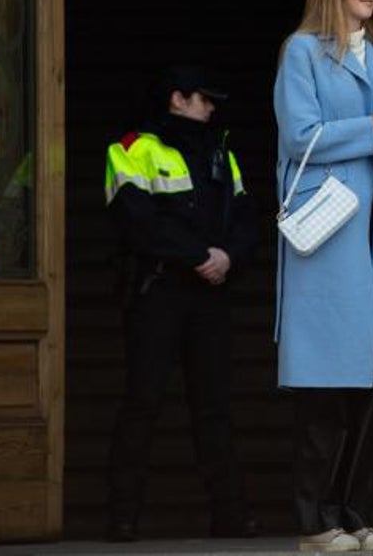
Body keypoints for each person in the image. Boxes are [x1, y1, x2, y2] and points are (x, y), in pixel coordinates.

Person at [273, 0, 373, 553]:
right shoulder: (303, 52)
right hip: (328, 232)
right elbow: (299, 134)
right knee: (324, 378)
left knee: (367, 381)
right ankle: (314, 520)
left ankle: (356, 513)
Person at [103, 64, 259, 542]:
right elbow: (137, 221)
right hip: (159, 291)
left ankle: (230, 516)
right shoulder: (131, 149)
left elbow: (247, 216)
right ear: (177, 99)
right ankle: (122, 517)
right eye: (204, 98)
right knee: (142, 404)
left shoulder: (221, 151)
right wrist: (199, 256)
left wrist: (228, 257)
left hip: (209, 296)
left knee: (214, 408)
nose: (212, 107)